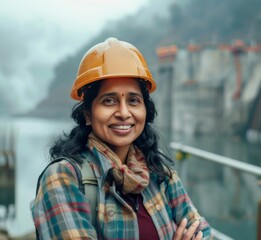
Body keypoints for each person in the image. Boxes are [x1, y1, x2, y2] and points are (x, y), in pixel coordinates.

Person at [31, 37, 211, 239]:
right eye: (109, 101)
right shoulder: (64, 177)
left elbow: (202, 232)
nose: (124, 112)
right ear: (88, 114)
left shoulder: (160, 174)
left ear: (145, 110)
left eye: (133, 100)